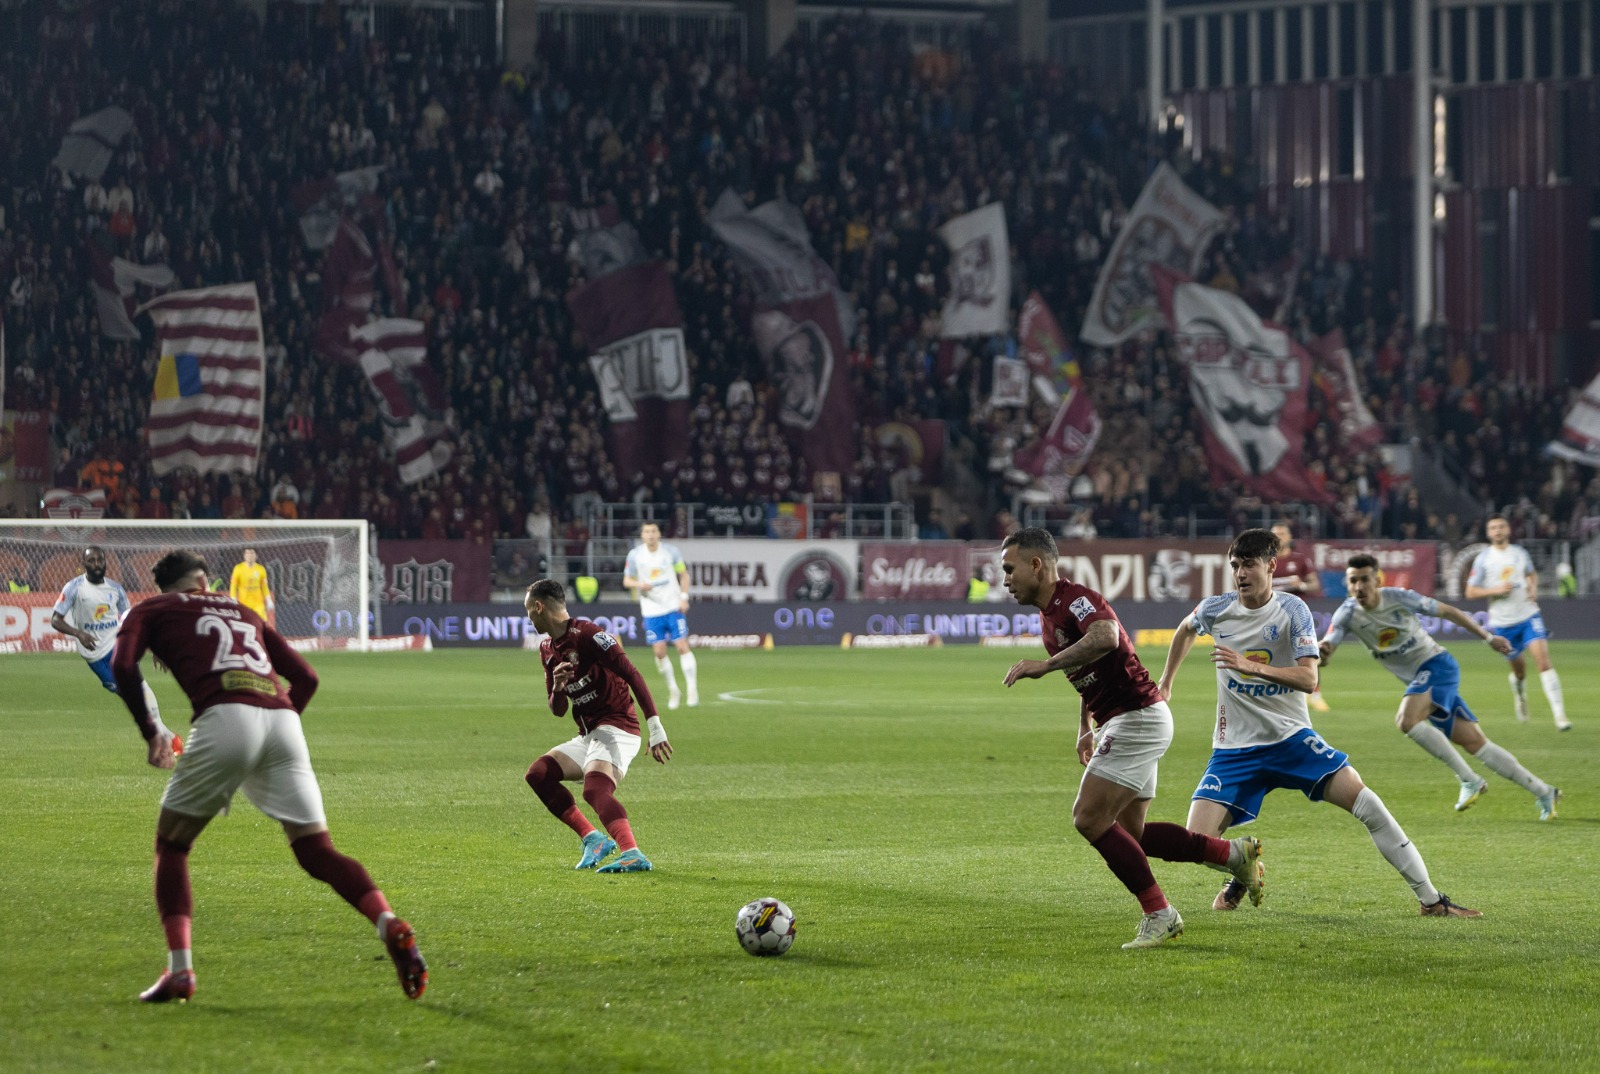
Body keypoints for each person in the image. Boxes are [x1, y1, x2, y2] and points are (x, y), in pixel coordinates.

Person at [109, 550, 426, 1003]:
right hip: (283, 722)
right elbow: (307, 678)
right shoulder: (242, 609)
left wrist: (151, 733)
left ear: (167, 587)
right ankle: (389, 922)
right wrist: (270, 726)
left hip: (224, 718)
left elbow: (122, 665)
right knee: (317, 850)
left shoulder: (153, 609)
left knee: (173, 845)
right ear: (203, 579)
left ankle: (181, 971)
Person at [1155, 528, 1481, 918]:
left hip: (1291, 740)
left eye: (1249, 565)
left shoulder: (1293, 611)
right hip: (1233, 749)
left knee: (1369, 806)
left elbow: (1309, 679)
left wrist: (1248, 666)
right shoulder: (1216, 609)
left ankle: (1433, 901)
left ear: (1271, 566)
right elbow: (1185, 629)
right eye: (1235, 566)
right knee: (1198, 844)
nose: (1241, 574)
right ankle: (1242, 869)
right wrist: (1166, 681)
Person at [999, 527, 1264, 950]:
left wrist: (1044, 666)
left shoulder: (1075, 599)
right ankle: (1234, 855)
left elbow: (1105, 637)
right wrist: (1085, 727)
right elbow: (1088, 672)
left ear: (1036, 564)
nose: (1005, 579)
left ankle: (1160, 913)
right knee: (1131, 832)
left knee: (1088, 818)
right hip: (1126, 719)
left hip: (1136, 718)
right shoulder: (1051, 615)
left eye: (1009, 569)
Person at [1320, 554, 1561, 821]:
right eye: (1353, 581)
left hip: (1437, 665)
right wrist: (1323, 652)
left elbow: (1449, 611)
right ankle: (1544, 791)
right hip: (1422, 681)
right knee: (1476, 743)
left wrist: (1489, 637)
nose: (1359, 587)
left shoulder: (1398, 598)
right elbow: (1329, 643)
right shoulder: (1347, 614)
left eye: (1365, 579)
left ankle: (1469, 779)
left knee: (1406, 720)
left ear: (1377, 579)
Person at [522, 579, 671, 873]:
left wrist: (655, 727)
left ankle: (632, 853)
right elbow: (558, 710)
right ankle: (593, 839)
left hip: (618, 727)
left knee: (594, 790)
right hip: (589, 734)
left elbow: (632, 674)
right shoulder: (547, 649)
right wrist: (559, 688)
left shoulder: (589, 634)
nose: (528, 617)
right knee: (538, 774)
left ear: (539, 607)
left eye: (528, 610)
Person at [1465, 515, 1571, 730]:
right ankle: (1521, 696)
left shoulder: (1519, 554)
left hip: (1528, 615)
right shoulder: (1483, 559)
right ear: (1488, 533)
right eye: (1493, 527)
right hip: (1503, 622)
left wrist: (1533, 588)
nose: (1498, 530)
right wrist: (1495, 590)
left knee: (1543, 662)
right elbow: (1470, 592)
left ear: (1508, 530)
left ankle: (1560, 717)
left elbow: (1531, 575)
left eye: (1501, 526)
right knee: (1519, 671)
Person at [51, 546, 164, 726]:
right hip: (95, 655)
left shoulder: (115, 589)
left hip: (117, 646)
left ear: (105, 562)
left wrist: (156, 649)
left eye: (100, 560)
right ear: (83, 564)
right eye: (91, 561)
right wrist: (79, 634)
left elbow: (131, 621)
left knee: (140, 688)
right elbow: (56, 620)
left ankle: (163, 736)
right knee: (130, 694)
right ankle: (160, 734)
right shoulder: (74, 588)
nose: (97, 564)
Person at [622, 522, 699, 709]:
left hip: (672, 606)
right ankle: (673, 690)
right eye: (647, 532)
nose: (650, 535)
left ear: (659, 534)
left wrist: (684, 597)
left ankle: (692, 689)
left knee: (682, 645)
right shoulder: (635, 555)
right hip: (651, 610)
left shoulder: (670, 552)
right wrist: (640, 585)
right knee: (659, 652)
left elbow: (684, 575)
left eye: (654, 531)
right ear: (642, 535)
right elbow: (626, 580)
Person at [1270, 523, 1328, 712]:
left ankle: (1316, 696)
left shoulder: (1300, 559)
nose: (1279, 537)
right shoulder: (1264, 560)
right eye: (1275, 534)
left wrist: (1301, 585)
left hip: (1297, 615)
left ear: (1289, 537)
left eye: (1282, 533)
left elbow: (1314, 585)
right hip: (1270, 615)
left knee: (1308, 652)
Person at [229, 547, 275, 628]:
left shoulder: (261, 569)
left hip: (258, 604)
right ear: (244, 556)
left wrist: (269, 600)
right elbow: (233, 586)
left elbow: (264, 586)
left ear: (256, 556)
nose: (249, 555)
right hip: (244, 604)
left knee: (262, 624)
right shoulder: (238, 569)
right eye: (247, 553)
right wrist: (233, 599)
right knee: (245, 625)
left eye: (252, 553)